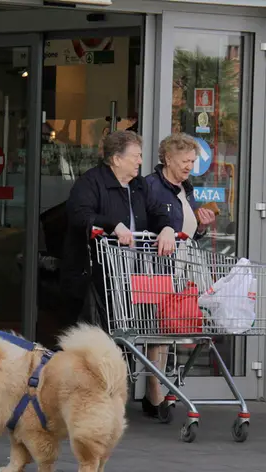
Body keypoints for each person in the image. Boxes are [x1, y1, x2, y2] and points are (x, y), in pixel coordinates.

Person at [60, 129, 175, 335]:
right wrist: (112, 225)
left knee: (130, 337)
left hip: (132, 277)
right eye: (136, 156)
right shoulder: (91, 182)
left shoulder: (139, 185)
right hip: (97, 279)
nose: (140, 161)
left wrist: (167, 228)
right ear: (116, 159)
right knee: (97, 341)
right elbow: (79, 214)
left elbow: (158, 212)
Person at [141, 132, 217, 418]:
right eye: (185, 161)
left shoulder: (186, 188)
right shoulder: (150, 186)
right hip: (158, 265)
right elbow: (148, 224)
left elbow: (191, 230)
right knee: (160, 330)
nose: (189, 166)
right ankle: (154, 393)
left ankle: (160, 388)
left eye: (193, 161)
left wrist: (203, 224)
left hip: (183, 263)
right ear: (168, 158)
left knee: (173, 327)